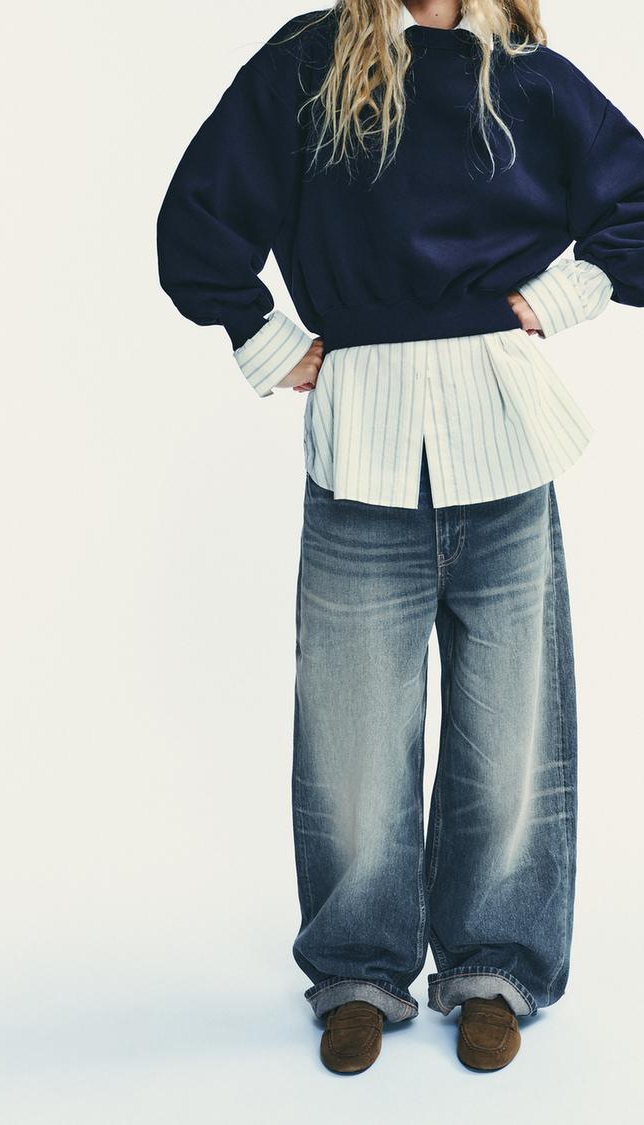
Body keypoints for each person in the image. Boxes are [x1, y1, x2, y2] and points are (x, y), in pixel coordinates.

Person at [156, 1, 644, 1074]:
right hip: (363, 443)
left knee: (511, 728)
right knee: (354, 730)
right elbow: (200, 215)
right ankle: (358, 973)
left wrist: (560, 297)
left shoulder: (522, 73)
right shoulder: (309, 61)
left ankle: (495, 966)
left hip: (503, 435)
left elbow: (636, 199)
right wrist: (264, 337)